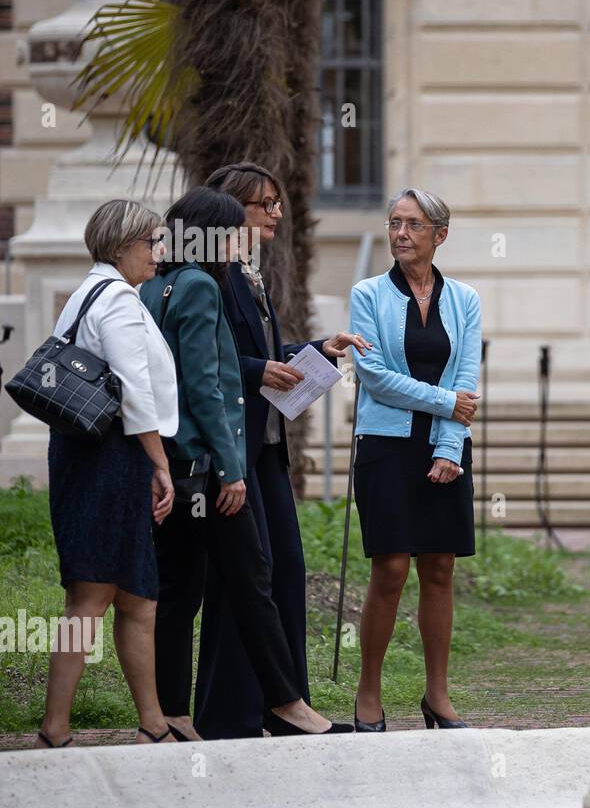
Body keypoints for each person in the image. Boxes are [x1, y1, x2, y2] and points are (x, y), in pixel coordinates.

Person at [141, 185, 350, 738]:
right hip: (210, 469)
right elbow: (207, 388)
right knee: (254, 580)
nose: (239, 239)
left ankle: (172, 715)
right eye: (232, 229)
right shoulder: (202, 289)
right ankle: (288, 704)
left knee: (179, 593)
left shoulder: (156, 286)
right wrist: (233, 469)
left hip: (176, 465)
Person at [191, 161, 370, 739]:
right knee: (245, 578)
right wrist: (257, 368)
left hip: (267, 451)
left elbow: (258, 351)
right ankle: (234, 712)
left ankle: (282, 704)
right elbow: (203, 362)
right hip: (234, 449)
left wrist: (316, 347)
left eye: (277, 202)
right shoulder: (209, 276)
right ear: (229, 210)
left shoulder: (247, 271)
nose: (276, 211)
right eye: (263, 203)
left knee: (285, 571)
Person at [36, 199, 178, 748]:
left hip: (94, 453)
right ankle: (54, 729)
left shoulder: (88, 292)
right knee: (93, 595)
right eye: (152, 243)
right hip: (109, 459)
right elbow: (133, 388)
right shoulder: (116, 298)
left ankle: (154, 724)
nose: (159, 253)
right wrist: (159, 463)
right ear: (122, 246)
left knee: (138, 596)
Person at [349, 187, 480, 732]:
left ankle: (437, 696)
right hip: (385, 446)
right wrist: (445, 401)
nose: (400, 233)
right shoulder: (368, 294)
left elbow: (466, 379)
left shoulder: (465, 299)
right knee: (391, 567)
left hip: (445, 446)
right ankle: (369, 694)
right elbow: (373, 377)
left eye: (413, 225)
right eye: (395, 223)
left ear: (439, 235)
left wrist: (450, 444)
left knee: (441, 568)